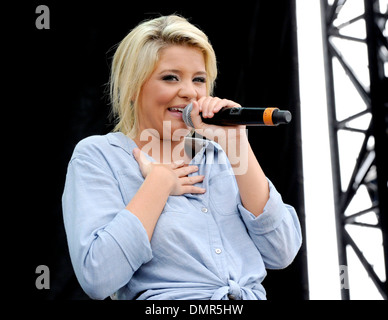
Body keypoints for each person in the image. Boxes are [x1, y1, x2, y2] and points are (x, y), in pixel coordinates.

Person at [62, 15, 302, 300]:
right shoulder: (99, 157)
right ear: (133, 87)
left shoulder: (222, 157)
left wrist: (236, 143)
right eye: (170, 78)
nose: (189, 92)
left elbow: (283, 251)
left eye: (198, 80)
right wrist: (160, 182)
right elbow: (98, 275)